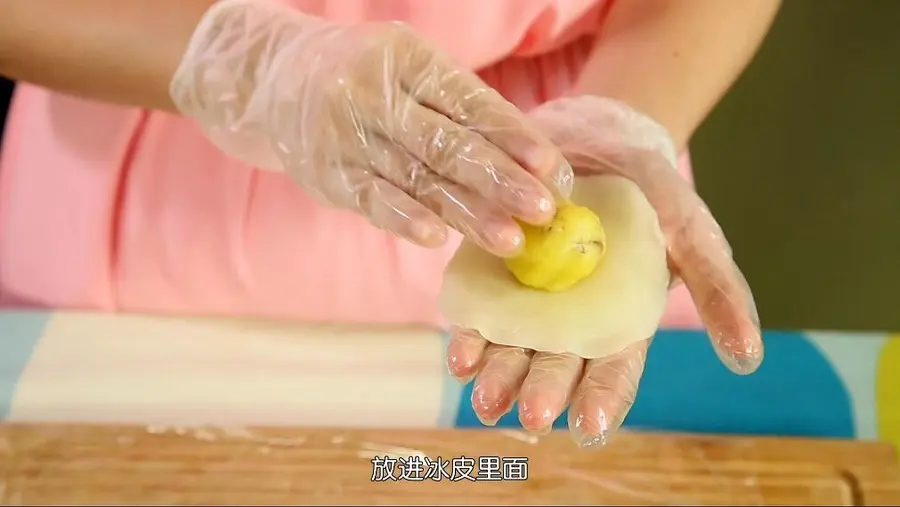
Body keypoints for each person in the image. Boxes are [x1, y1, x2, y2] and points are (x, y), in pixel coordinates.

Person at [0, 0, 780, 447]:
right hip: (144, 202)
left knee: (524, 472)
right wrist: (242, 60)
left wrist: (625, 112)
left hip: (568, 148)